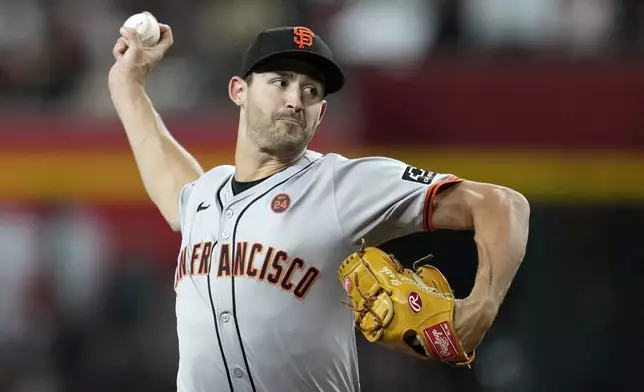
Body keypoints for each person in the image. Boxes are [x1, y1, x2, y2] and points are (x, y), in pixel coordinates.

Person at [108, 22, 530, 392]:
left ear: (321, 113)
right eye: (281, 81)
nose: (296, 99)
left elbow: (503, 205)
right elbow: (171, 178)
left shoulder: (341, 183)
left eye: (311, 91)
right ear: (239, 91)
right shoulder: (204, 196)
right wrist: (127, 84)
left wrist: (479, 308)